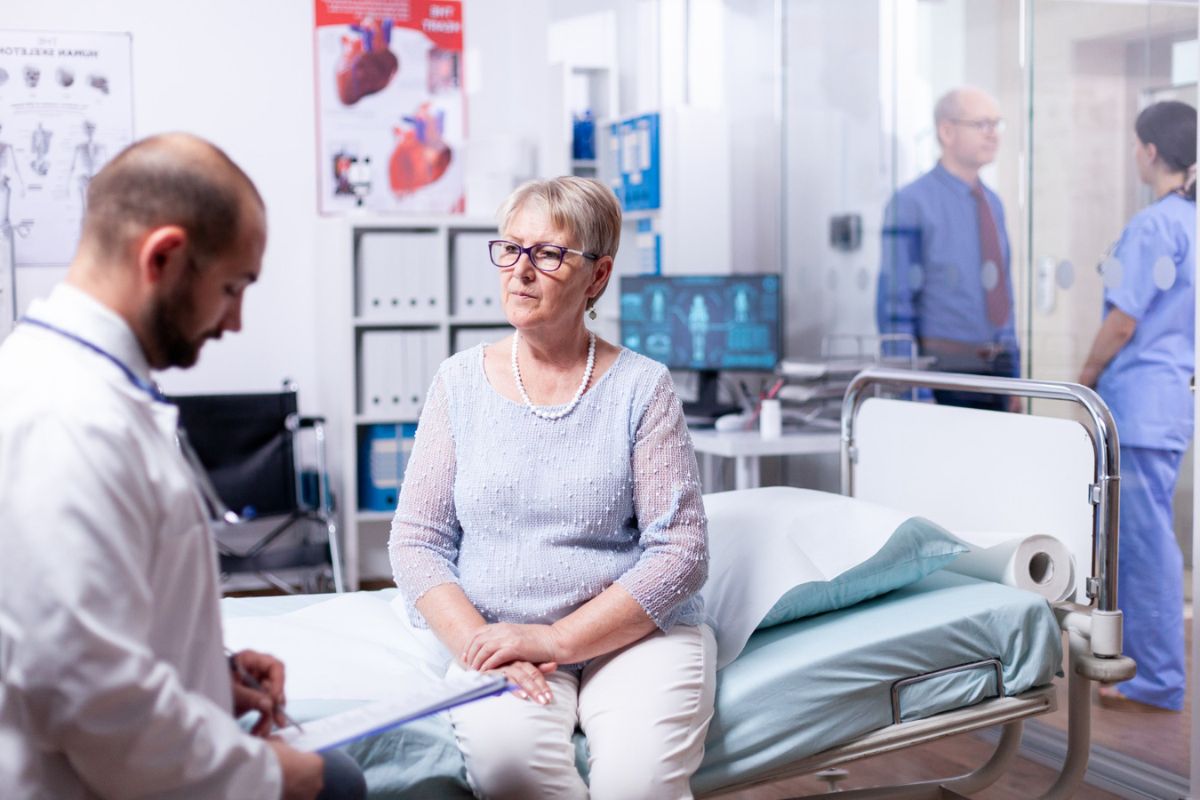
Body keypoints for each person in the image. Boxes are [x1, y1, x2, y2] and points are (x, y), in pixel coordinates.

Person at [0, 133, 366, 799]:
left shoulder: (99, 390)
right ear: (163, 257)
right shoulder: (66, 417)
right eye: (232, 288)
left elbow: (104, 609)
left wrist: (207, 668)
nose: (236, 322)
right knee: (336, 784)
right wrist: (272, 777)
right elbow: (91, 698)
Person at [389, 176, 714, 799]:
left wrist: (558, 639)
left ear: (597, 277)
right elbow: (416, 541)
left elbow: (681, 553)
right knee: (514, 770)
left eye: (548, 254)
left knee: (637, 782)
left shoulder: (643, 387)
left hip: (635, 637)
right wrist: (481, 645)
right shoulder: (458, 382)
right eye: (509, 249)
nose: (520, 271)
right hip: (500, 636)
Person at [1077, 101, 1196, 713]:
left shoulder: (1157, 224)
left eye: (1134, 144)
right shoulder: (1192, 222)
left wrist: (1085, 378)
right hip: (1169, 401)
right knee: (1145, 539)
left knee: (1146, 545)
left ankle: (1158, 679)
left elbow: (1124, 321)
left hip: (1140, 399)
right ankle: (1153, 670)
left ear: (1150, 151)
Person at [877, 86, 1020, 411]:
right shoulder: (911, 203)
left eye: (997, 124)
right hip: (942, 375)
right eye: (982, 124)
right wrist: (911, 389)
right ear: (947, 131)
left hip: (995, 373)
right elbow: (894, 305)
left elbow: (1003, 296)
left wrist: (1013, 380)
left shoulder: (992, 203)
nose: (993, 135)